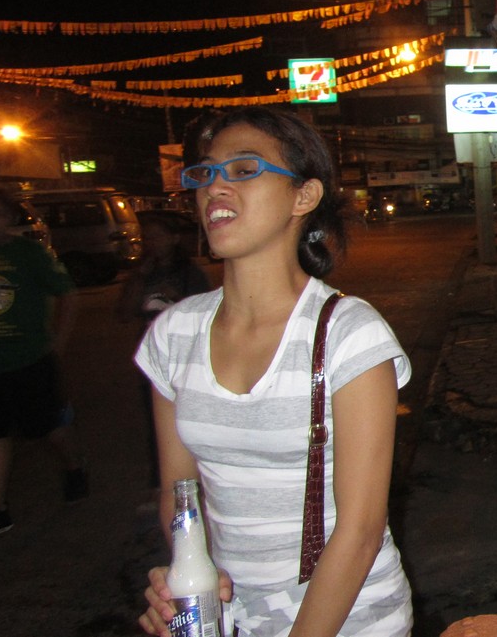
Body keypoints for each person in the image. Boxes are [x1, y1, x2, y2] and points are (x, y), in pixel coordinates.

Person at [135, 107, 413, 637]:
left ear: (303, 197)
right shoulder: (173, 334)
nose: (215, 187)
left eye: (244, 170)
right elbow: (179, 492)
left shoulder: (348, 333)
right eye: (206, 172)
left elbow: (359, 531)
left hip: (348, 619)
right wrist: (189, 579)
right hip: (229, 618)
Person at [0, 187, 88, 540]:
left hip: (28, 359)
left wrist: (57, 343)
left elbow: (67, 293)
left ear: (9, 218)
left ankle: (74, 467)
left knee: (47, 428)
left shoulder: (29, 253)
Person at [117, 210, 211, 487]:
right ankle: (162, 482)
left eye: (158, 236)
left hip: (186, 354)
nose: (153, 243)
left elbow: (205, 314)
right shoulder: (143, 273)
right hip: (154, 353)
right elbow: (124, 313)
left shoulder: (190, 273)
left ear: (174, 238)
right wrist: (138, 278)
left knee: (190, 416)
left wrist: (177, 297)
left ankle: (196, 476)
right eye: (148, 238)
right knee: (158, 421)